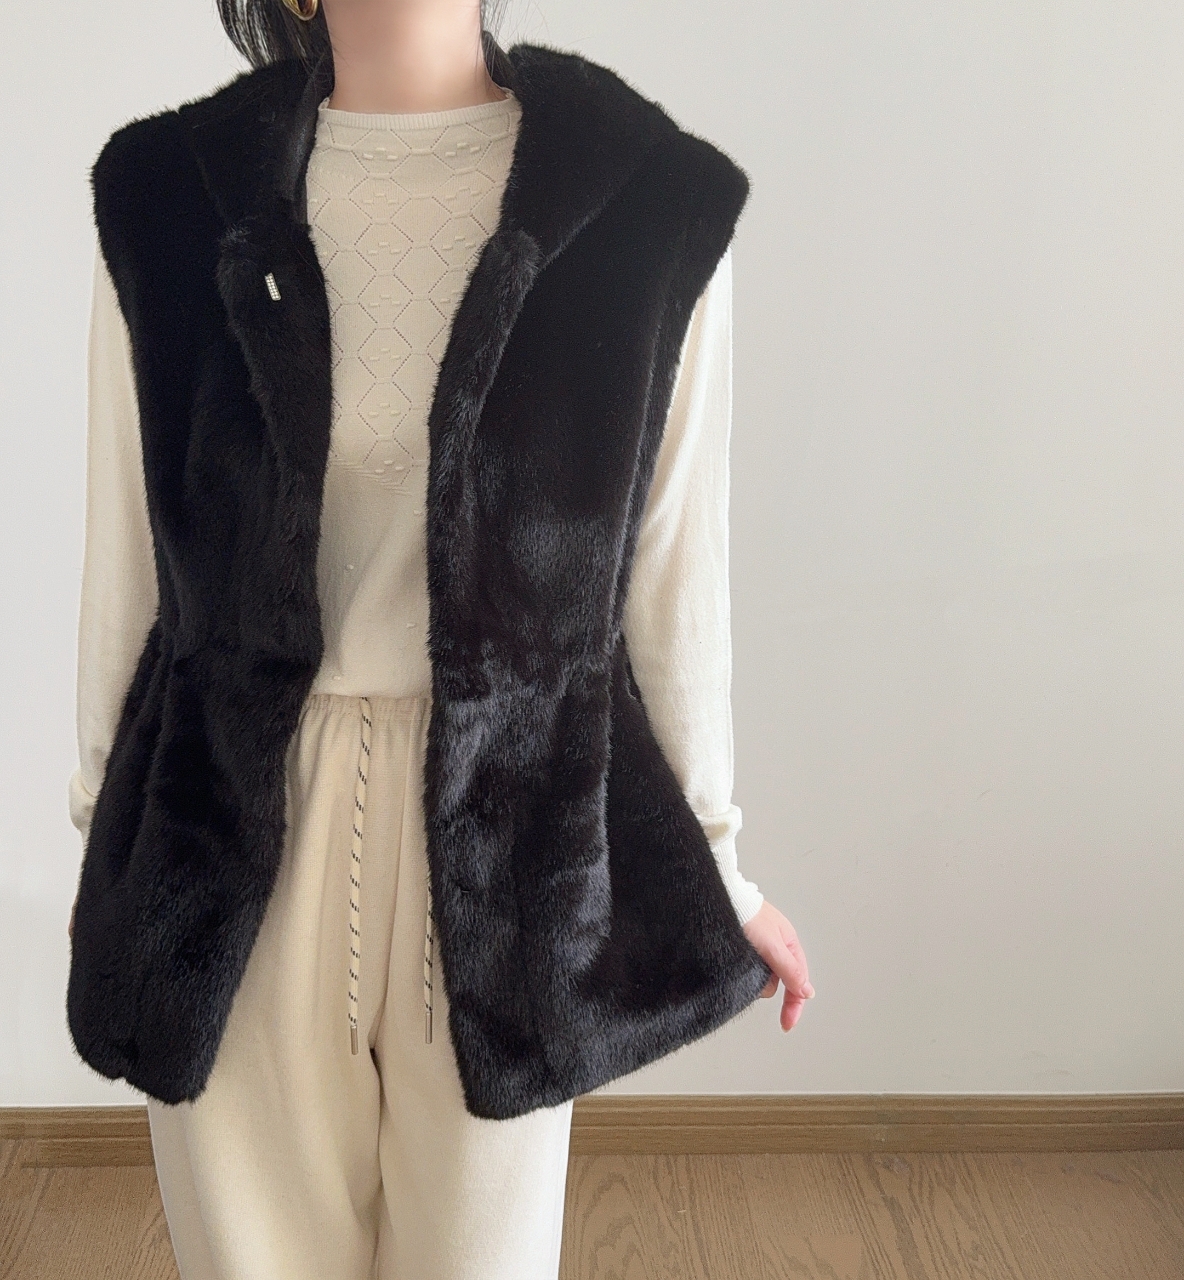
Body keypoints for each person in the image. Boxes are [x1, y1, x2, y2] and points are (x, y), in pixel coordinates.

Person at [66, 1, 814, 1275]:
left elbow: (669, 578)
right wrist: (110, 845)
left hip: (510, 855)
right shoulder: (167, 198)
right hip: (229, 841)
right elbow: (131, 566)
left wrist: (717, 866)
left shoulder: (644, 204)